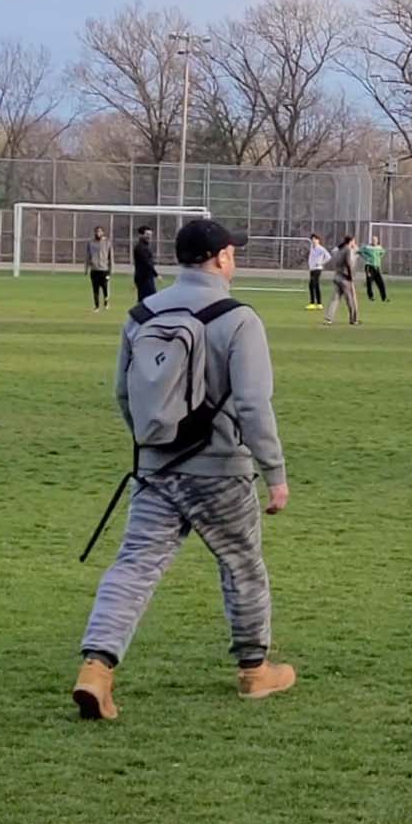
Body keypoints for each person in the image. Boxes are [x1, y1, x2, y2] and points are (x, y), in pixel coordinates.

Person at [72, 218, 293, 720]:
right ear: (220, 258)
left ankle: (97, 667)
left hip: (155, 468)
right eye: (233, 251)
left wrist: (154, 447)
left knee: (133, 568)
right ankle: (255, 670)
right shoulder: (240, 320)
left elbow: (124, 395)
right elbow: (255, 405)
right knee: (242, 566)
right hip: (221, 474)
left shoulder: (141, 313)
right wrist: (274, 473)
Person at [323, 234, 360, 327]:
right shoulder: (347, 249)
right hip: (345, 278)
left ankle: (329, 318)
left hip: (337, 276)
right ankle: (353, 319)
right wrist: (350, 276)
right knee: (351, 299)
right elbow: (348, 263)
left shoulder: (339, 249)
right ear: (351, 241)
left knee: (335, 299)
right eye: (354, 241)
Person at [86, 226, 114, 311]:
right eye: (96, 232)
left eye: (99, 232)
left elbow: (111, 257)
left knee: (105, 288)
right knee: (95, 289)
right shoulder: (91, 243)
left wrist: (111, 269)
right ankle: (96, 306)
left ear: (102, 232)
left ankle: (106, 303)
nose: (98, 233)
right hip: (94, 270)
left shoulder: (107, 242)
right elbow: (88, 256)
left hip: (104, 270)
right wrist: (86, 268)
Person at [132, 226, 157, 303]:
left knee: (148, 299)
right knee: (148, 299)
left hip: (147, 276)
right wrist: (156, 274)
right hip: (143, 277)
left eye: (150, 234)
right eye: (147, 234)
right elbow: (146, 262)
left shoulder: (146, 246)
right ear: (141, 235)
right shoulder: (140, 247)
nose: (149, 236)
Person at [305, 233, 330, 310]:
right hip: (312, 269)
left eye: (315, 239)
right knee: (316, 285)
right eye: (312, 239)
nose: (313, 241)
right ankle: (319, 303)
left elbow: (328, 257)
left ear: (318, 240)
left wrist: (320, 263)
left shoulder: (321, 248)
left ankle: (312, 303)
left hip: (317, 269)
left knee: (311, 284)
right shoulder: (312, 248)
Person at [362, 234, 388, 303]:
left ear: (377, 241)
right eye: (373, 240)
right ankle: (371, 297)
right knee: (369, 283)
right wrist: (366, 257)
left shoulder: (379, 247)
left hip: (377, 267)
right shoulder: (367, 247)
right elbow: (360, 251)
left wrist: (379, 258)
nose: (374, 241)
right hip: (369, 267)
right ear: (371, 240)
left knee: (381, 283)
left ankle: (384, 298)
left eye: (375, 240)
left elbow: (383, 252)